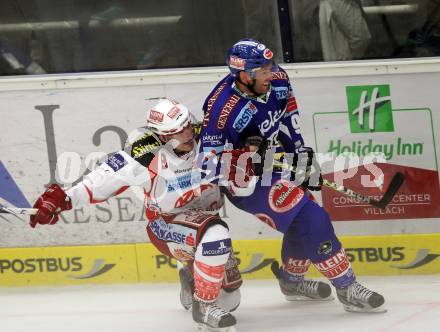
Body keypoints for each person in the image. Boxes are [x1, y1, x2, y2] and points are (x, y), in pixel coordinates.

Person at [199, 38, 386, 313]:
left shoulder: (279, 79)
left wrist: (301, 157)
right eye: (261, 71)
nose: (269, 73)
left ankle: (292, 282)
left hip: (274, 165)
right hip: (246, 183)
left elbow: (288, 118)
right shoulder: (221, 110)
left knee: (302, 219)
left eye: (269, 66)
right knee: (313, 216)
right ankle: (347, 288)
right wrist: (247, 158)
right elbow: (210, 167)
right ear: (242, 75)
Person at [29, 98, 242, 331]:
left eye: (187, 126)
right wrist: (62, 200)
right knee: (216, 234)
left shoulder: (209, 137)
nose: (186, 135)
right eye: (176, 132)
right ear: (161, 136)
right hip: (166, 225)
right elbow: (97, 182)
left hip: (205, 218)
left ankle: (191, 277)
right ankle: (204, 306)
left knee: (231, 299)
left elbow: (244, 171)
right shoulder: (142, 153)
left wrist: (248, 163)